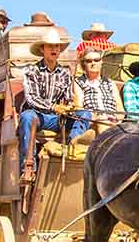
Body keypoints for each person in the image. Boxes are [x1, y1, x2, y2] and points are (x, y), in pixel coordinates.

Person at [18, 29, 89, 180]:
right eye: (50, 46)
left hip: (57, 119)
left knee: (84, 114)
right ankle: (28, 168)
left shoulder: (65, 73)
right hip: (37, 116)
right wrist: (54, 107)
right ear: (42, 49)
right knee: (26, 117)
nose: (54, 49)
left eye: (57, 46)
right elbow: (32, 99)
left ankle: (72, 148)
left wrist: (69, 107)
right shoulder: (31, 71)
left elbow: (68, 97)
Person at [75, 48, 123, 127]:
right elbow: (79, 108)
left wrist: (117, 121)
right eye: (88, 61)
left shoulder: (110, 83)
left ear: (101, 62)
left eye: (96, 60)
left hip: (113, 122)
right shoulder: (79, 82)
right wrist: (97, 118)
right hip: (92, 122)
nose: (93, 63)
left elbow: (120, 109)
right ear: (84, 64)